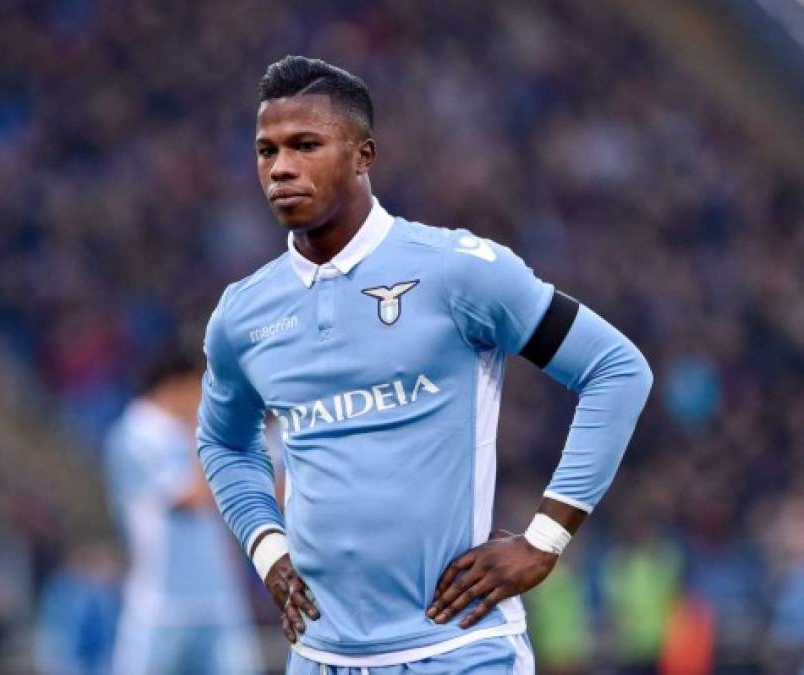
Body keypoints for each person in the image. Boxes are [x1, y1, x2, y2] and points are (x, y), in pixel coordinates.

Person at [197, 55, 653, 674]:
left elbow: (616, 369)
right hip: (318, 656)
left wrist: (545, 540)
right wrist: (267, 546)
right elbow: (224, 443)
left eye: (305, 145)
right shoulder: (244, 314)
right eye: (266, 150)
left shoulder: (456, 270)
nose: (281, 168)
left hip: (457, 651)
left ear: (363, 155)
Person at [105, 349, 263, 675]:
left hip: (218, 595)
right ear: (175, 385)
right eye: (199, 387)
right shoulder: (138, 434)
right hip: (163, 602)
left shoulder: (186, 432)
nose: (205, 398)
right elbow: (194, 498)